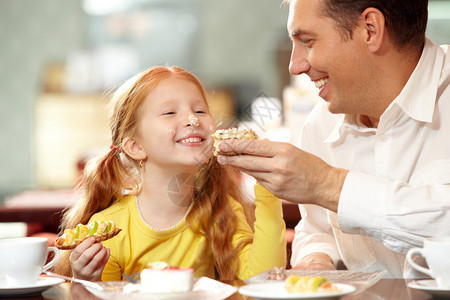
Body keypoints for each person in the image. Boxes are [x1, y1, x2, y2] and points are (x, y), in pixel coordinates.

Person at [217, 0, 450, 278]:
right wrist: (317, 258)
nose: (295, 65)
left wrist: (327, 184)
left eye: (307, 41)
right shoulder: (321, 123)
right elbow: (317, 230)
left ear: (370, 30)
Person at [53, 66, 286, 281]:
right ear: (135, 146)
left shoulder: (223, 211)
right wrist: (87, 281)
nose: (192, 120)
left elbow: (261, 282)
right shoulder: (108, 228)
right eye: (170, 113)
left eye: (199, 110)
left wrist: (268, 189)